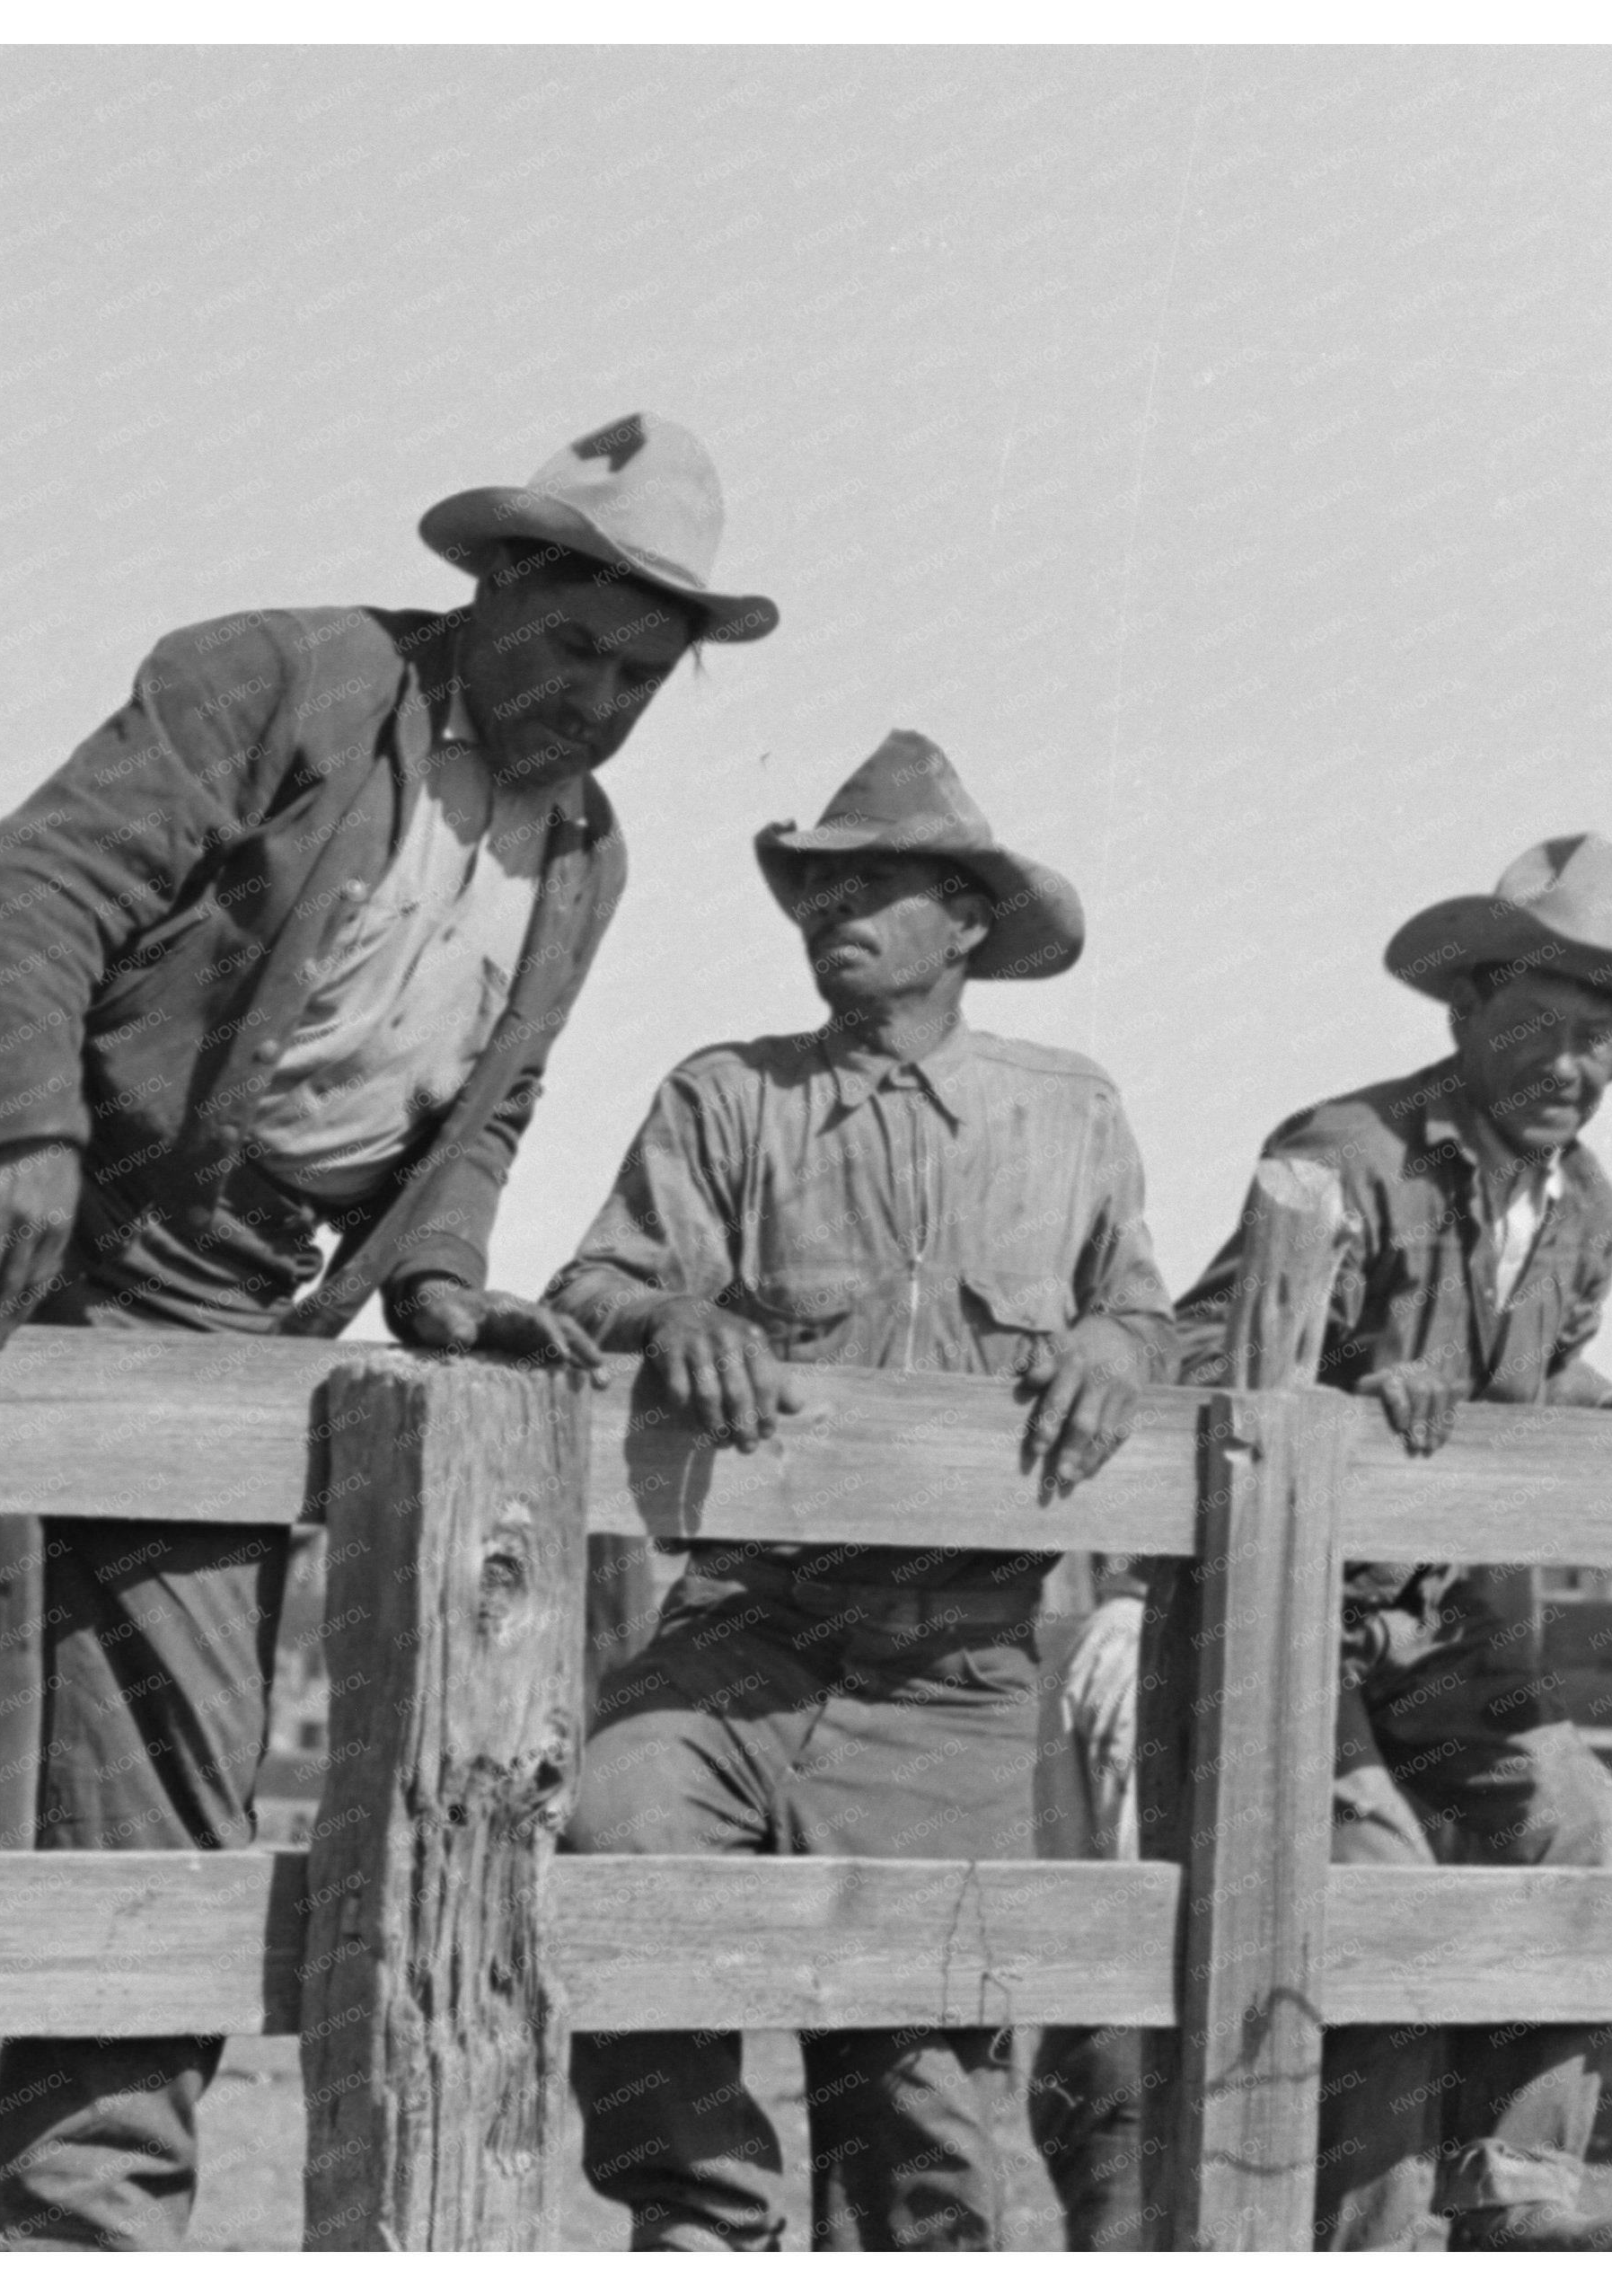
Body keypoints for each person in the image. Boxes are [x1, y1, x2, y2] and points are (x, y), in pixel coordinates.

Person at [0, 413, 780, 2247]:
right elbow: (41, 880)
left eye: (639, 675)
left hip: (217, 1275)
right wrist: (26, 1134)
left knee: (164, 1769)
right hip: (20, 1108)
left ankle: (79, 2219)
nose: (599, 696)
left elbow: (485, 1110)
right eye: (575, 645)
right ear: (498, 583)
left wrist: (441, 1271)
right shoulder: (287, 671)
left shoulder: (585, 855)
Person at [541, 731, 1175, 2251]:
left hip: (953, 1670)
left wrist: (1111, 1340)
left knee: (921, 2102)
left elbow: (1150, 1313)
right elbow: (587, 1289)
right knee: (619, 1845)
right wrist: (666, 1316)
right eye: (820, 886)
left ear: (965, 921)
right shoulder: (726, 1100)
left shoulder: (1066, 1113)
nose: (837, 911)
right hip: (740, 1628)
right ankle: (708, 2227)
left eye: (878, 885)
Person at [1128, 832, 1612, 2253]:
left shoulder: (1585, 1208)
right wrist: (1342, 1393)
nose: (1568, 1068)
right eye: (1535, 1027)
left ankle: (1513, 2187)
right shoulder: (1341, 1153)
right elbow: (1197, 1349)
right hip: (1289, 1621)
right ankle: (1368, 2241)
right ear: (1465, 1018)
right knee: (1384, 1888)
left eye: (1599, 1040)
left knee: (1577, 1826)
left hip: (1451, 1631)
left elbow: (1523, 1383)